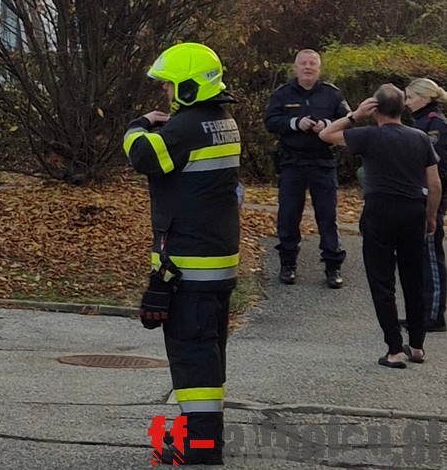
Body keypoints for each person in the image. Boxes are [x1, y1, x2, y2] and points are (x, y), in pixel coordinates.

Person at [125, 42, 242, 466]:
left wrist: (140, 124)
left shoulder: (186, 127)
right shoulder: (224, 121)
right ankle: (205, 435)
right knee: (209, 353)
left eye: (171, 85)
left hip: (190, 266)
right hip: (218, 260)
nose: (167, 93)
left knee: (193, 358)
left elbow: (142, 155)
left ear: (190, 87)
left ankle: (200, 447)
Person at [319, 84, 441, 368]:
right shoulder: (420, 138)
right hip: (413, 211)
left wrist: (355, 115)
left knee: (382, 281)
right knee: (412, 278)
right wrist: (431, 215)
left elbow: (326, 134)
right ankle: (418, 345)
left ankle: (394, 349)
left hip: (379, 211)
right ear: (401, 109)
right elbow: (434, 183)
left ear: (376, 110)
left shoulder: (368, 136)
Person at [264, 49, 351, 287]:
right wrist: (294, 123)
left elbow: (349, 121)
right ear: (296, 67)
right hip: (292, 162)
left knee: (327, 216)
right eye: (303, 63)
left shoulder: (332, 94)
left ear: (319, 68)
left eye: (312, 63)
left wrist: (327, 125)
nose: (308, 67)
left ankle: (333, 267)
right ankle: (288, 264)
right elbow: (270, 121)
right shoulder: (282, 94)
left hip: (322, 161)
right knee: (289, 215)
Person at [408, 78, 447, 331]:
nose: (406, 102)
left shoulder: (436, 126)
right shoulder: (421, 123)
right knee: (419, 257)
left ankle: (434, 315)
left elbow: (439, 168)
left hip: (432, 196)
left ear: (424, 97)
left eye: (410, 97)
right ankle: (421, 312)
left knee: (431, 255)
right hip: (417, 195)